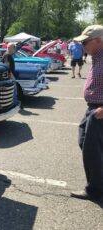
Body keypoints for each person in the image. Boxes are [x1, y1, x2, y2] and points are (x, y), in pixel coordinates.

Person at [70, 25, 103, 201]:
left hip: (99, 111)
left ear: (98, 40)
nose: (82, 45)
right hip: (92, 108)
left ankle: (95, 190)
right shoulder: (97, 56)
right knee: (85, 143)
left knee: (92, 150)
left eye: (85, 42)